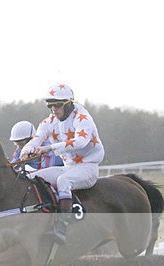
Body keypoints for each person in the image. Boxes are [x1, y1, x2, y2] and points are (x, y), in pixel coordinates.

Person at [20, 84, 104, 244]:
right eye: (50, 106)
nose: (54, 109)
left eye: (57, 105)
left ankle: (61, 227)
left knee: (63, 181)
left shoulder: (82, 117)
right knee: (31, 177)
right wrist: (26, 150)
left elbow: (80, 142)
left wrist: (48, 148)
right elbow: (36, 139)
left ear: (69, 103)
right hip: (68, 168)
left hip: (88, 168)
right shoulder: (48, 122)